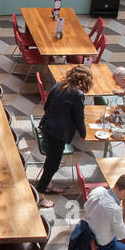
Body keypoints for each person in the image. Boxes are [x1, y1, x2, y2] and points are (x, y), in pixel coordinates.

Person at [34, 64, 91, 208]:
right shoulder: (78, 94)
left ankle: (48, 184)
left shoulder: (58, 85)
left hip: (47, 126)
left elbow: (46, 106)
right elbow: (79, 118)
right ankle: (40, 195)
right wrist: (83, 133)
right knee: (52, 165)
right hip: (58, 133)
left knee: (51, 161)